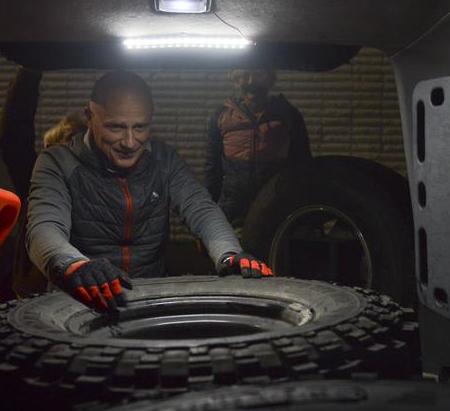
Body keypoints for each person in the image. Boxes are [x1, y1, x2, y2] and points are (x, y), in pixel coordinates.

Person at [26, 70, 271, 313]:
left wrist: (228, 254)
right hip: (78, 301)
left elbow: (201, 208)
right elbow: (43, 226)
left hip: (148, 298)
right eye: (116, 127)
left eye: (140, 127)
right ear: (89, 117)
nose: (130, 142)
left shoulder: (164, 160)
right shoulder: (57, 162)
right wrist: (72, 265)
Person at [0, 67, 87, 297]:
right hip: (35, 298)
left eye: (81, 139)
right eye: (68, 139)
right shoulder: (38, 179)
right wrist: (30, 68)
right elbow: (14, 136)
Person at [204, 69, 311, 224]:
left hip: (276, 209)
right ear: (235, 80)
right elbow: (212, 168)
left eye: (259, 74)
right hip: (233, 211)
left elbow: (303, 164)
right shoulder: (221, 116)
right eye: (245, 75)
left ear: (270, 79)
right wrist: (208, 211)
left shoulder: (288, 114)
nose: (251, 82)